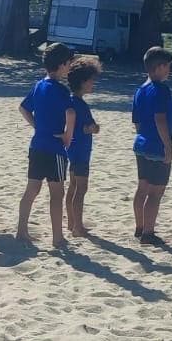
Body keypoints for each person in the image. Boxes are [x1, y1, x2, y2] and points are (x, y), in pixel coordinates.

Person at [16, 42, 74, 248]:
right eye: (68, 64)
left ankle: (21, 230)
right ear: (61, 64)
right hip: (55, 149)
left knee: (31, 190)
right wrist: (68, 135)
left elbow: (23, 108)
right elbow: (71, 113)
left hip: (37, 145)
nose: (69, 68)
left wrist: (37, 126)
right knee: (57, 194)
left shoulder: (39, 85)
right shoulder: (61, 90)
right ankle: (57, 237)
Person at [132, 47, 172, 246]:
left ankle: (140, 227)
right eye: (167, 66)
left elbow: (137, 122)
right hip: (156, 146)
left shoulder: (140, 90)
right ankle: (148, 233)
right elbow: (160, 119)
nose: (169, 71)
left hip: (141, 143)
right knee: (156, 192)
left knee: (142, 188)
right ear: (159, 67)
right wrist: (168, 147)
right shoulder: (161, 90)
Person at [64, 55, 102, 236]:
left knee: (72, 187)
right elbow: (86, 128)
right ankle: (77, 226)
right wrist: (94, 128)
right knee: (81, 188)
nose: (93, 84)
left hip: (71, 150)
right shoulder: (80, 105)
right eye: (92, 80)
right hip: (81, 152)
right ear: (83, 81)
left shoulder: (70, 101)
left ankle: (72, 223)